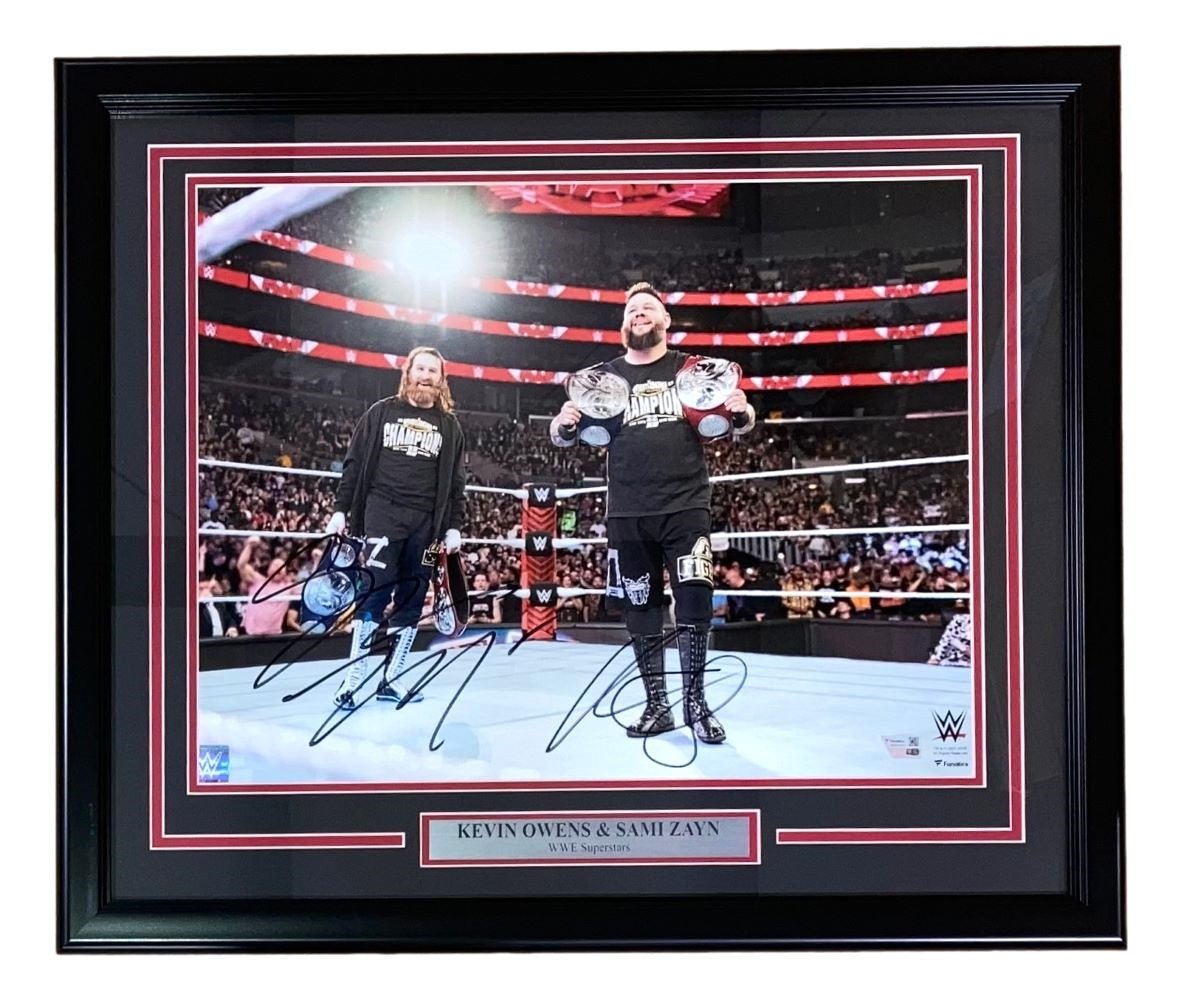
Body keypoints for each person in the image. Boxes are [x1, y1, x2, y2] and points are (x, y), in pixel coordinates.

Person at [549, 282, 756, 744]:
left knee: (695, 601)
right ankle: (657, 706)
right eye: (632, 310)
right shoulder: (602, 379)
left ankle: (696, 705)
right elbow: (563, 435)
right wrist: (562, 425)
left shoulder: (692, 370)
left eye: (647, 308)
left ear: (665, 320)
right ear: (624, 324)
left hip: (686, 505)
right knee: (640, 607)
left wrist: (742, 411)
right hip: (628, 511)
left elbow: (738, 422)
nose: (638, 314)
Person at [324, 346, 467, 710]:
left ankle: (392, 678)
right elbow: (353, 463)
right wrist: (340, 510)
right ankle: (352, 680)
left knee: (415, 594)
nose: (426, 376)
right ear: (408, 373)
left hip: (430, 527)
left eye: (433, 371)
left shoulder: (450, 427)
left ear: (441, 379)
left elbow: (456, 483)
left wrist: (454, 527)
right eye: (420, 369)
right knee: (374, 591)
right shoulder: (381, 412)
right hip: (382, 514)